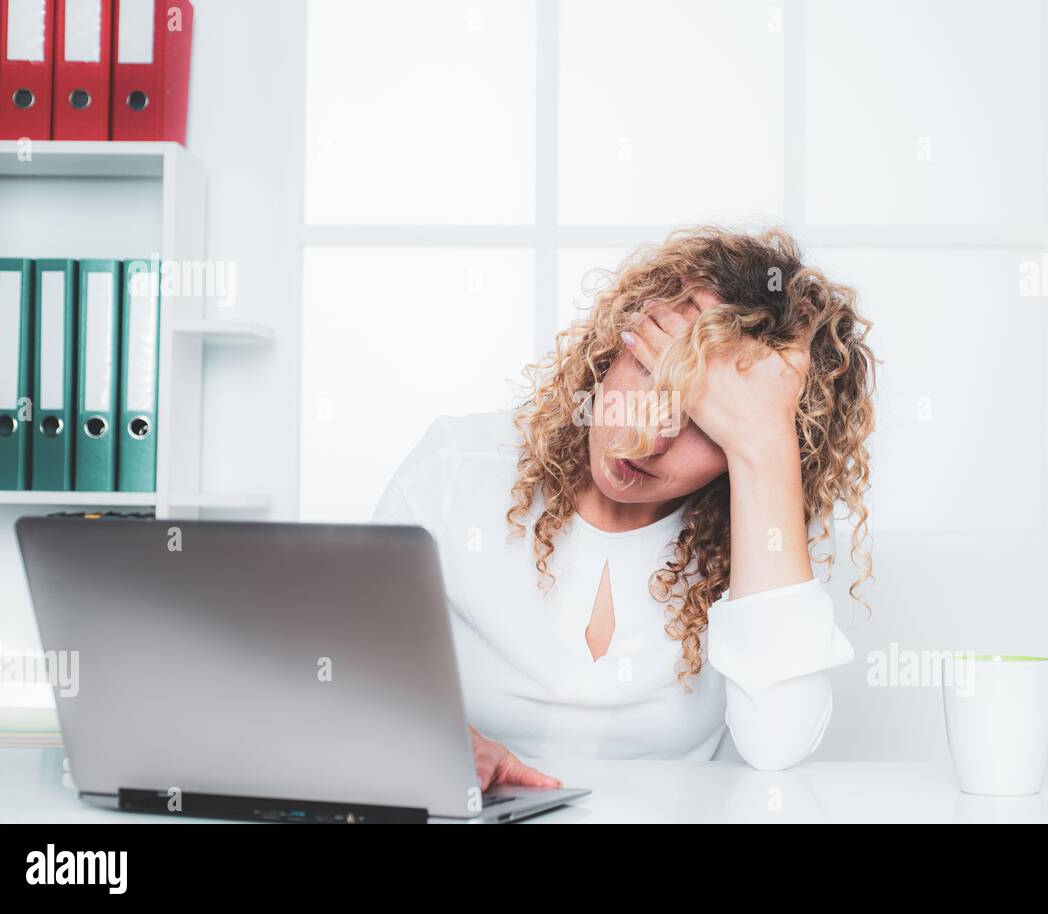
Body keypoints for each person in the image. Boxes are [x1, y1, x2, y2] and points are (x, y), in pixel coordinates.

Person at [374, 226, 876, 786]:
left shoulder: (759, 522)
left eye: (709, 419)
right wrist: (436, 741)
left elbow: (779, 743)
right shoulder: (455, 472)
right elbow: (347, 680)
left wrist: (765, 450)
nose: (648, 439)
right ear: (617, 345)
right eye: (650, 377)